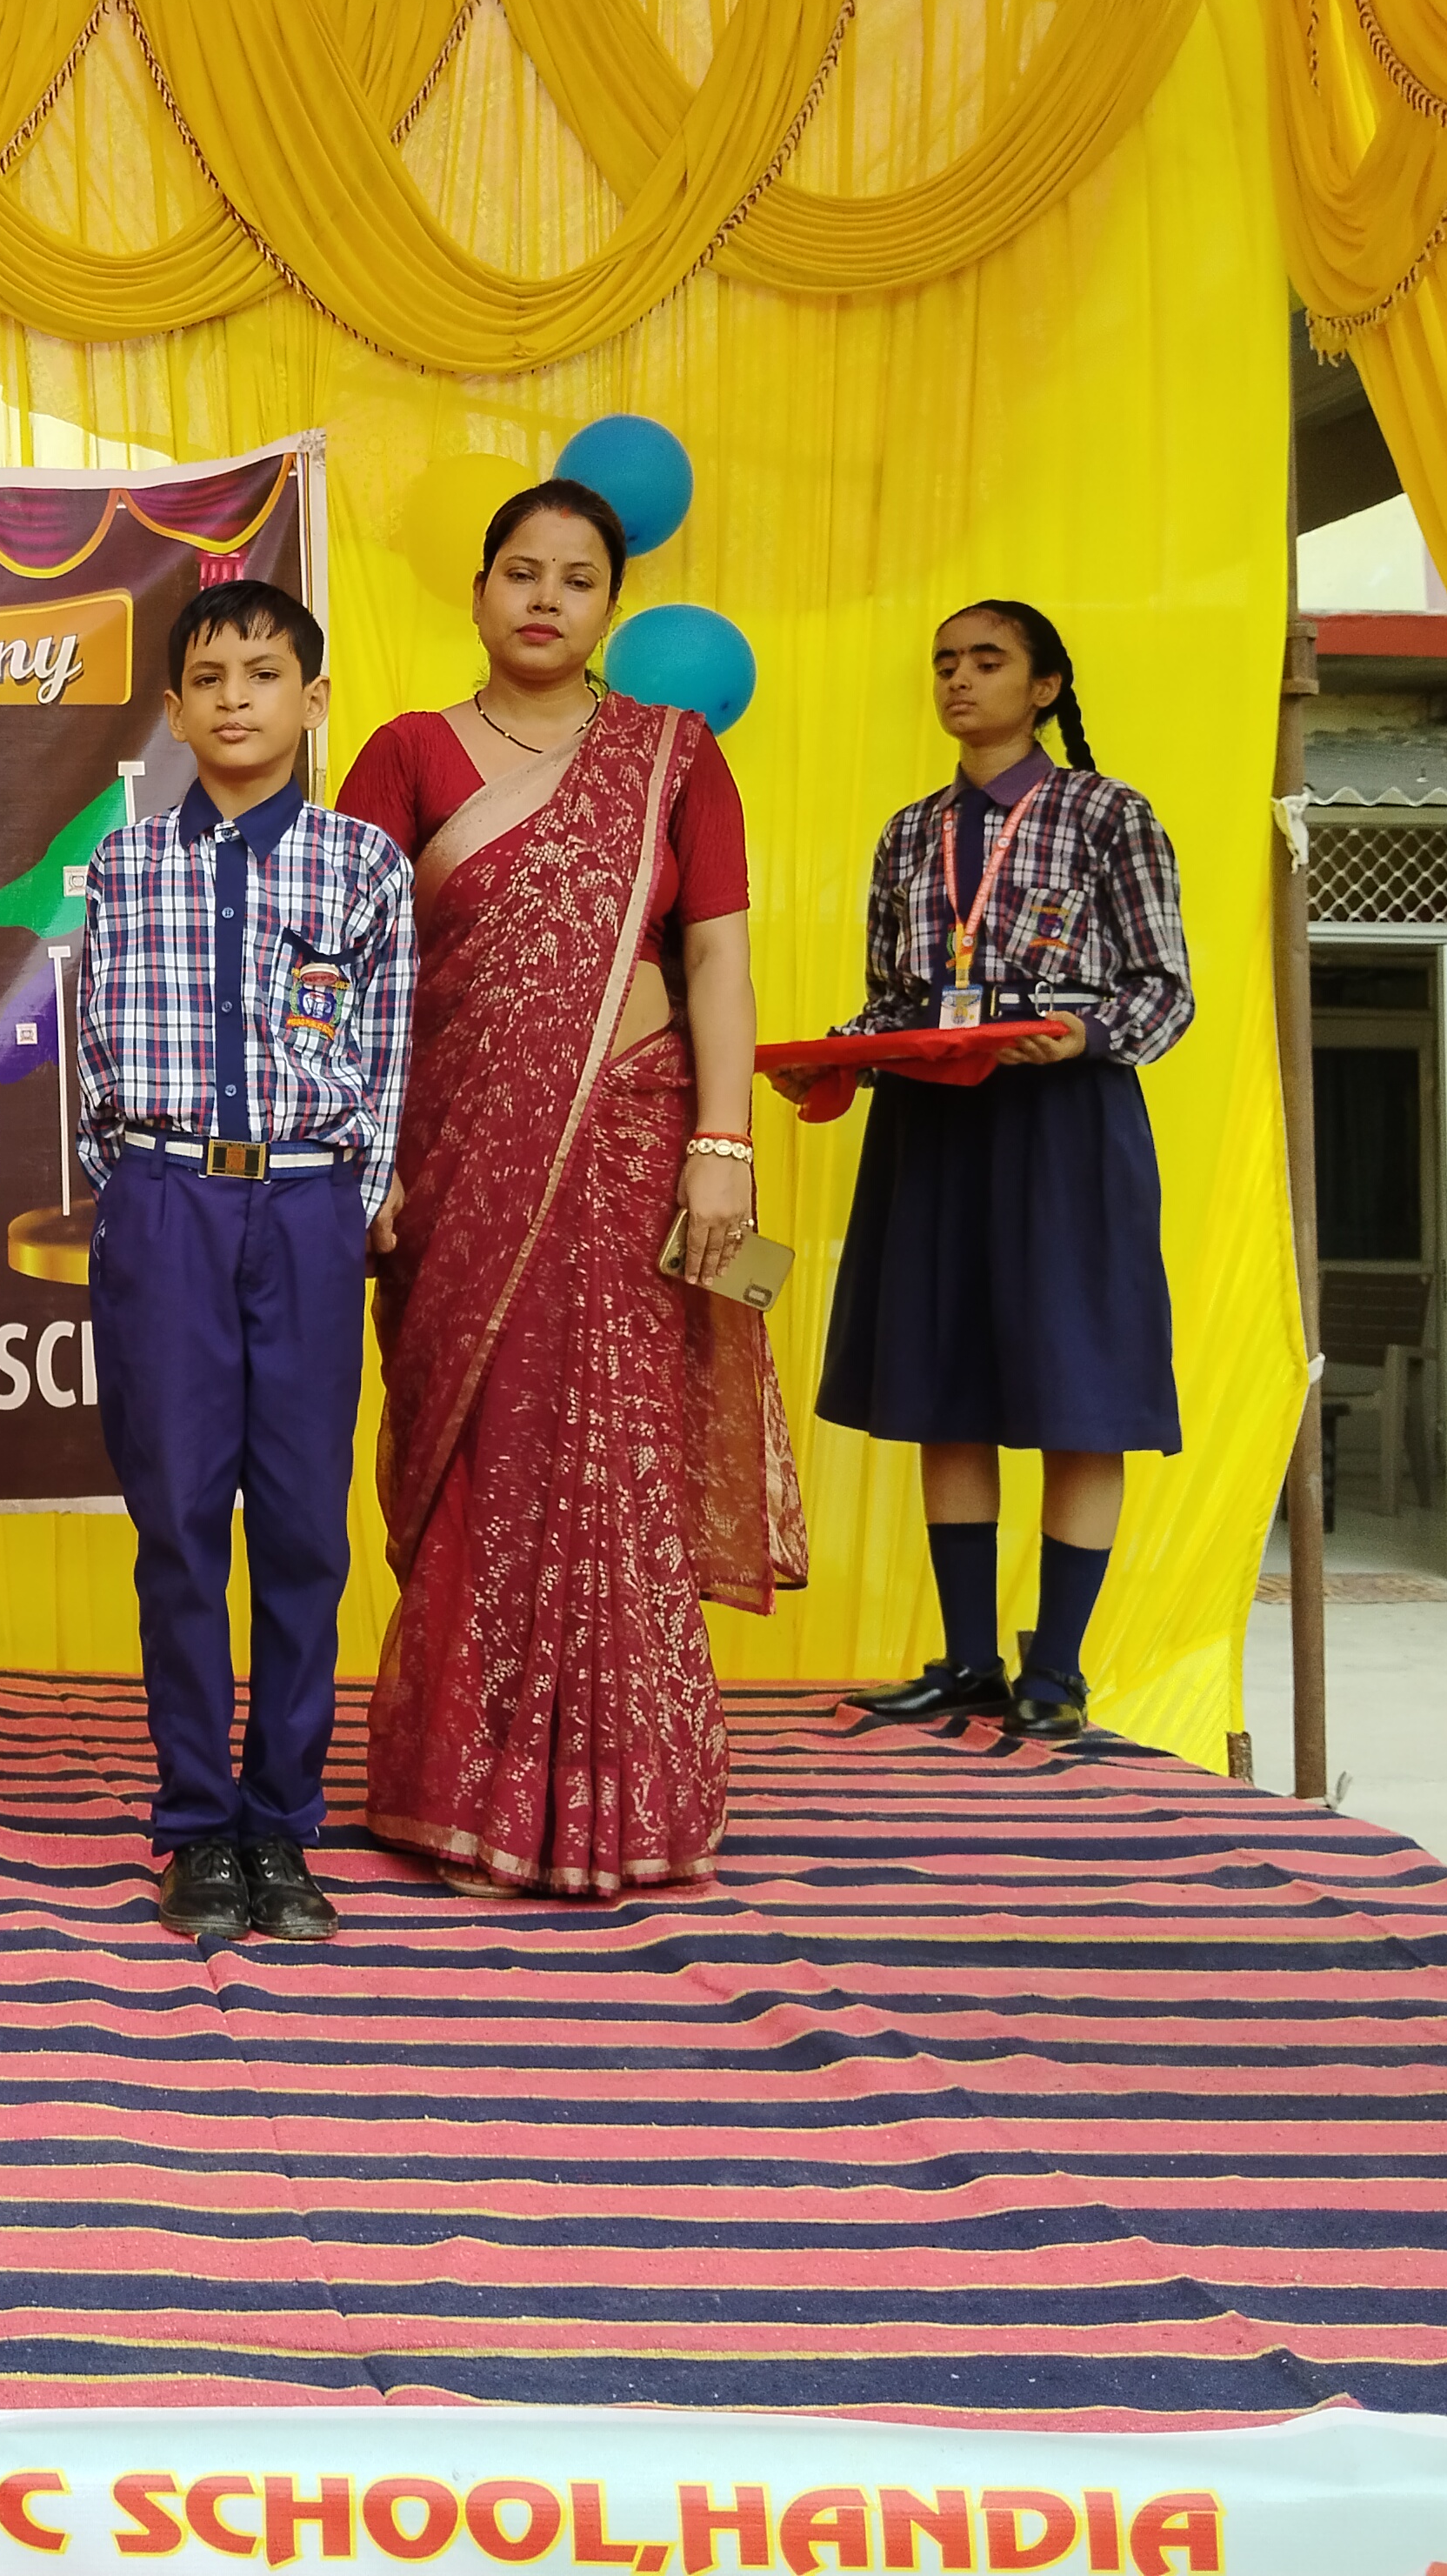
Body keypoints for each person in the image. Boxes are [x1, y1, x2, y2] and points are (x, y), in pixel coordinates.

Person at [336, 477, 809, 1899]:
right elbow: (345, 975)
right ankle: (462, 1793)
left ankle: (628, 1801)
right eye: (522, 571)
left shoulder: (676, 757)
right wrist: (365, 1153)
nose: (546, 598)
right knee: (483, 1454)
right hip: (455, 1156)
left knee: (621, 1457)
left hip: (634, 1146)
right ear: (480, 589)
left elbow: (717, 958)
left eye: (578, 578)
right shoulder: (406, 753)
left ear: (612, 604)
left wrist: (723, 1147)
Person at [77, 578, 414, 1945]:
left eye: (264, 675)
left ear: (312, 699)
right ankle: (195, 1822)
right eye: (209, 680)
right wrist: (134, 1191)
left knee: (300, 1525)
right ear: (174, 711)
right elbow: (94, 1045)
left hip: (308, 1208)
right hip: (168, 1203)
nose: (236, 700)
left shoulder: (362, 866)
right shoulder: (124, 865)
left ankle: (281, 1820)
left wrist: (352, 1200)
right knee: (177, 1523)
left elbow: (387, 1051)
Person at [804, 600, 1192, 1744]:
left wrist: (1083, 1036)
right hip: (934, 1123)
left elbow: (1164, 988)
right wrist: (833, 1061)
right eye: (944, 664)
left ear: (1046, 687)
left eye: (987, 661)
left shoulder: (1111, 814)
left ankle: (1055, 1672)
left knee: (1083, 1394)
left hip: (1064, 1123)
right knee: (947, 1386)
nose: (958, 681)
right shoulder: (907, 834)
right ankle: (971, 1661)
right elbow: (890, 1001)